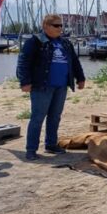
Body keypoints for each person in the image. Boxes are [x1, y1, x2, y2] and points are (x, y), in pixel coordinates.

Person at [16, 14, 86, 161]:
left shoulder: (65, 43)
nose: (60, 28)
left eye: (61, 25)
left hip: (61, 86)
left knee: (55, 117)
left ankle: (51, 144)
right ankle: (31, 149)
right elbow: (23, 62)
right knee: (37, 118)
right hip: (42, 86)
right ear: (46, 26)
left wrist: (80, 78)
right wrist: (24, 82)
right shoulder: (35, 42)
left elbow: (74, 61)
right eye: (56, 25)